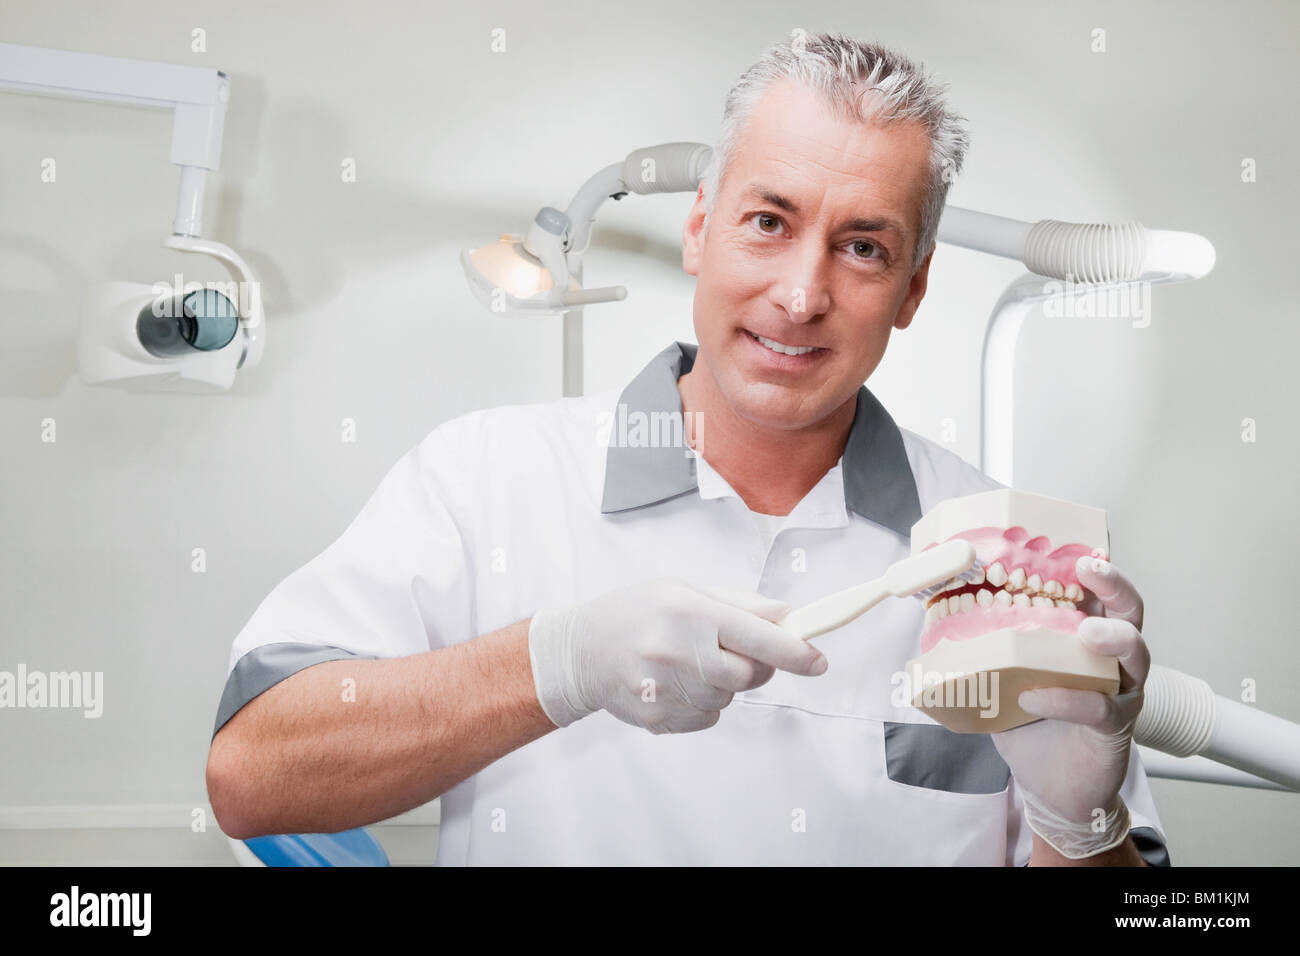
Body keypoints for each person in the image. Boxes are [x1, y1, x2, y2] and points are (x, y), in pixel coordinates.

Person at [206, 32, 1169, 866]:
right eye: (768, 222)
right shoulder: (486, 481)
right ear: (700, 228)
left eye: (864, 248)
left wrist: (1077, 824)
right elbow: (251, 777)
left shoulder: (1004, 561)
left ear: (914, 291)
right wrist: (555, 666)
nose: (801, 294)